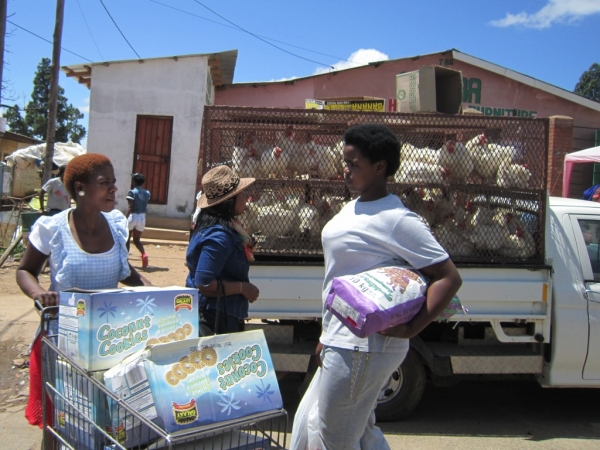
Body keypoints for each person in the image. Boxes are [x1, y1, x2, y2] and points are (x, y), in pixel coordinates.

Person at [314, 124, 462, 449]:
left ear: (379, 166)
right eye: (345, 162)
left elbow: (448, 277)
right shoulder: (352, 206)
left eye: (354, 164)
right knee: (358, 431)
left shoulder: (397, 218)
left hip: (365, 347)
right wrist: (327, 337)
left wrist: (413, 327)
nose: (345, 170)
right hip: (341, 339)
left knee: (333, 437)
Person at [16, 153, 151, 428]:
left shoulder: (116, 226)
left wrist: (149, 287)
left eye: (114, 182)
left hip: (110, 341)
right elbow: (25, 271)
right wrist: (39, 293)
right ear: (80, 188)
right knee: (63, 424)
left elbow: (125, 272)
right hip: (64, 344)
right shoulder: (52, 228)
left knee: (103, 423)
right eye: (105, 183)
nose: (114, 189)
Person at [186, 165, 260, 335]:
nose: (245, 198)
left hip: (215, 314)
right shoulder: (220, 236)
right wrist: (243, 288)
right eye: (241, 194)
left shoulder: (213, 228)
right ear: (229, 200)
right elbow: (204, 283)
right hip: (214, 319)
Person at [126, 173, 151, 268]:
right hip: (142, 217)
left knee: (127, 239)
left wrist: (125, 218)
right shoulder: (147, 193)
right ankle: (144, 254)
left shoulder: (132, 192)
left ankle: (125, 259)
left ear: (134, 181)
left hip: (133, 216)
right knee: (137, 240)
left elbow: (130, 206)